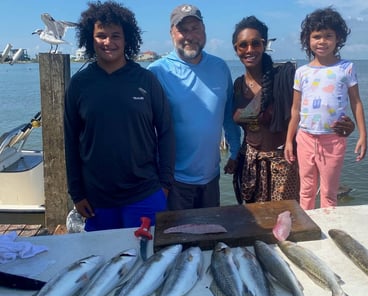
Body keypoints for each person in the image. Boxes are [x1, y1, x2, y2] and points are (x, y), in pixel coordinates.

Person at [64, 1, 175, 231]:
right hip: (97, 199)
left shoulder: (146, 80)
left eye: (116, 35)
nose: (108, 42)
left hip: (145, 193)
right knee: (103, 262)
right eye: (101, 35)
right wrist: (76, 192)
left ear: (127, 39)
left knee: (146, 259)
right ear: (90, 39)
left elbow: (166, 132)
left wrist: (165, 184)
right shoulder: (79, 84)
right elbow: (71, 141)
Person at [148, 4, 241, 210]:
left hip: (211, 178)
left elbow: (228, 115)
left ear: (204, 30)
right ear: (172, 33)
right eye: (182, 29)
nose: (190, 35)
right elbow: (145, 128)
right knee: (175, 240)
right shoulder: (157, 72)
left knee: (210, 239)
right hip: (173, 181)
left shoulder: (220, 67)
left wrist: (235, 152)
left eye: (195, 28)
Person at [284, 7, 367, 210]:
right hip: (304, 137)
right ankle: (308, 230)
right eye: (316, 36)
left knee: (329, 193)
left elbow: (356, 102)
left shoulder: (346, 68)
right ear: (308, 40)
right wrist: (288, 141)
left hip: (333, 139)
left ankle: (329, 231)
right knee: (306, 190)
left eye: (328, 36)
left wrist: (363, 135)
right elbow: (295, 110)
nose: (322, 41)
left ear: (338, 38)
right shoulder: (302, 72)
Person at [231, 16, 300, 204]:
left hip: (282, 165)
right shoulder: (237, 85)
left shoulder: (284, 78)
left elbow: (308, 109)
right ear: (236, 49)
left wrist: (338, 127)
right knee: (255, 224)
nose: (250, 50)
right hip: (249, 166)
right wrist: (233, 156)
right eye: (243, 45)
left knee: (285, 223)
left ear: (264, 45)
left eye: (256, 43)